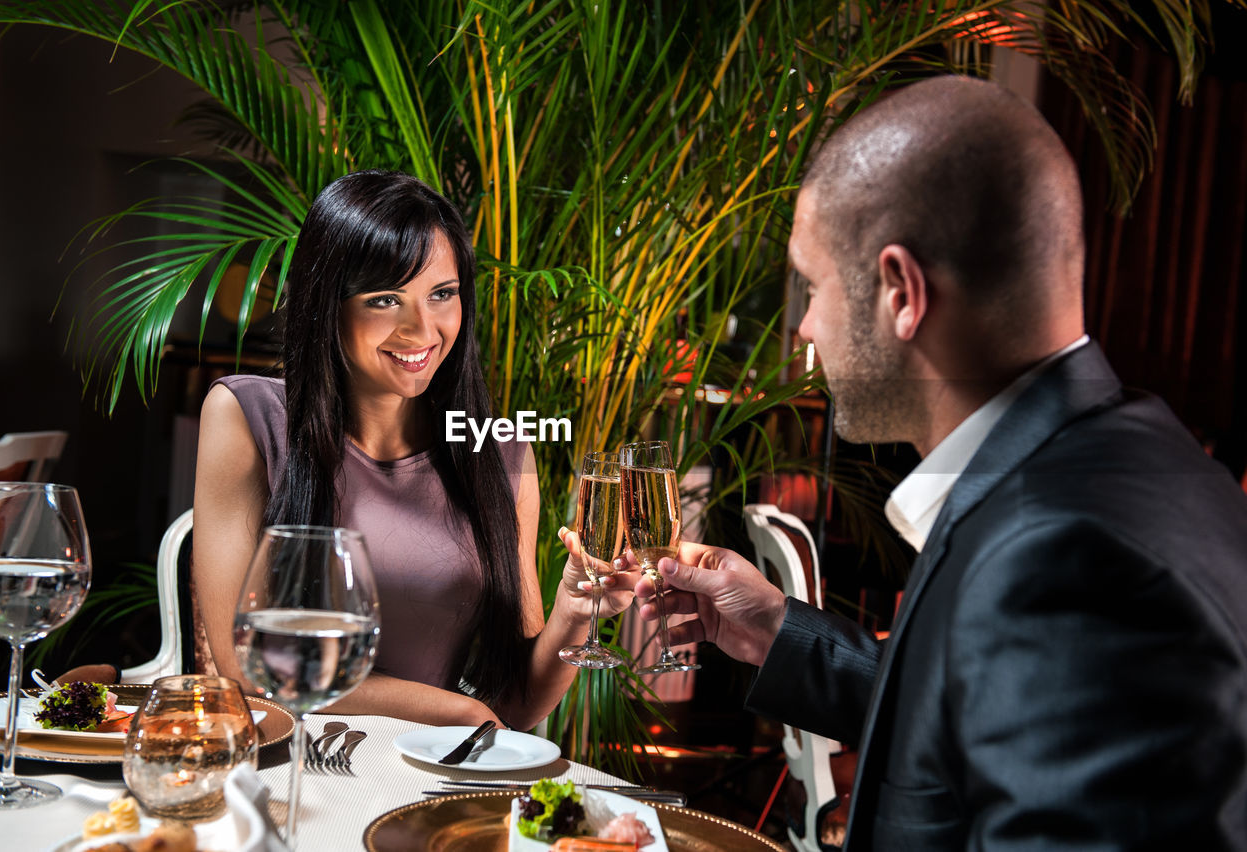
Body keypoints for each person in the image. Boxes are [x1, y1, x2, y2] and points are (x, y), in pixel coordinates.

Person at [634, 76, 1247, 849]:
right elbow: (983, 710)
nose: (806, 332)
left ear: (901, 292)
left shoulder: (1067, 557)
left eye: (813, 288)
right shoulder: (1132, 468)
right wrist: (778, 633)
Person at [193, 170, 633, 729]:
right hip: (288, 773)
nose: (421, 329)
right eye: (384, 300)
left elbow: (515, 706)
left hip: (425, 782)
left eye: (442, 294)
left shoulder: (500, 452)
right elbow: (244, 669)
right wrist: (455, 710)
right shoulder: (247, 415)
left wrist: (575, 609)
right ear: (326, 304)